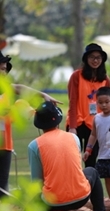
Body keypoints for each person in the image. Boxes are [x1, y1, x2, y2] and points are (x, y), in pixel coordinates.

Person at [28, 101, 106, 211]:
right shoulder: (74, 138)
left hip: (52, 202)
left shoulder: (34, 145)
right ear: (58, 121)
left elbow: (37, 182)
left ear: (39, 125)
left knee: (33, 199)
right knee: (92, 171)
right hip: (82, 198)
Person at [0, 52, 61, 198]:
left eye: (4, 69)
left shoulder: (6, 89)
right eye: (0, 68)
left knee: (2, 187)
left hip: (5, 146)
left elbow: (20, 88)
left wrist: (43, 95)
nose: (3, 72)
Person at [66, 43, 110, 168]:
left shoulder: (105, 79)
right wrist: (72, 127)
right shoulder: (76, 76)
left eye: (98, 57)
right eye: (92, 57)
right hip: (78, 123)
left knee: (91, 162)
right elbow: (72, 102)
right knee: (73, 161)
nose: (95, 60)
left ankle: (89, 187)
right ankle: (74, 187)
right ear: (86, 59)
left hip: (96, 126)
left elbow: (108, 105)